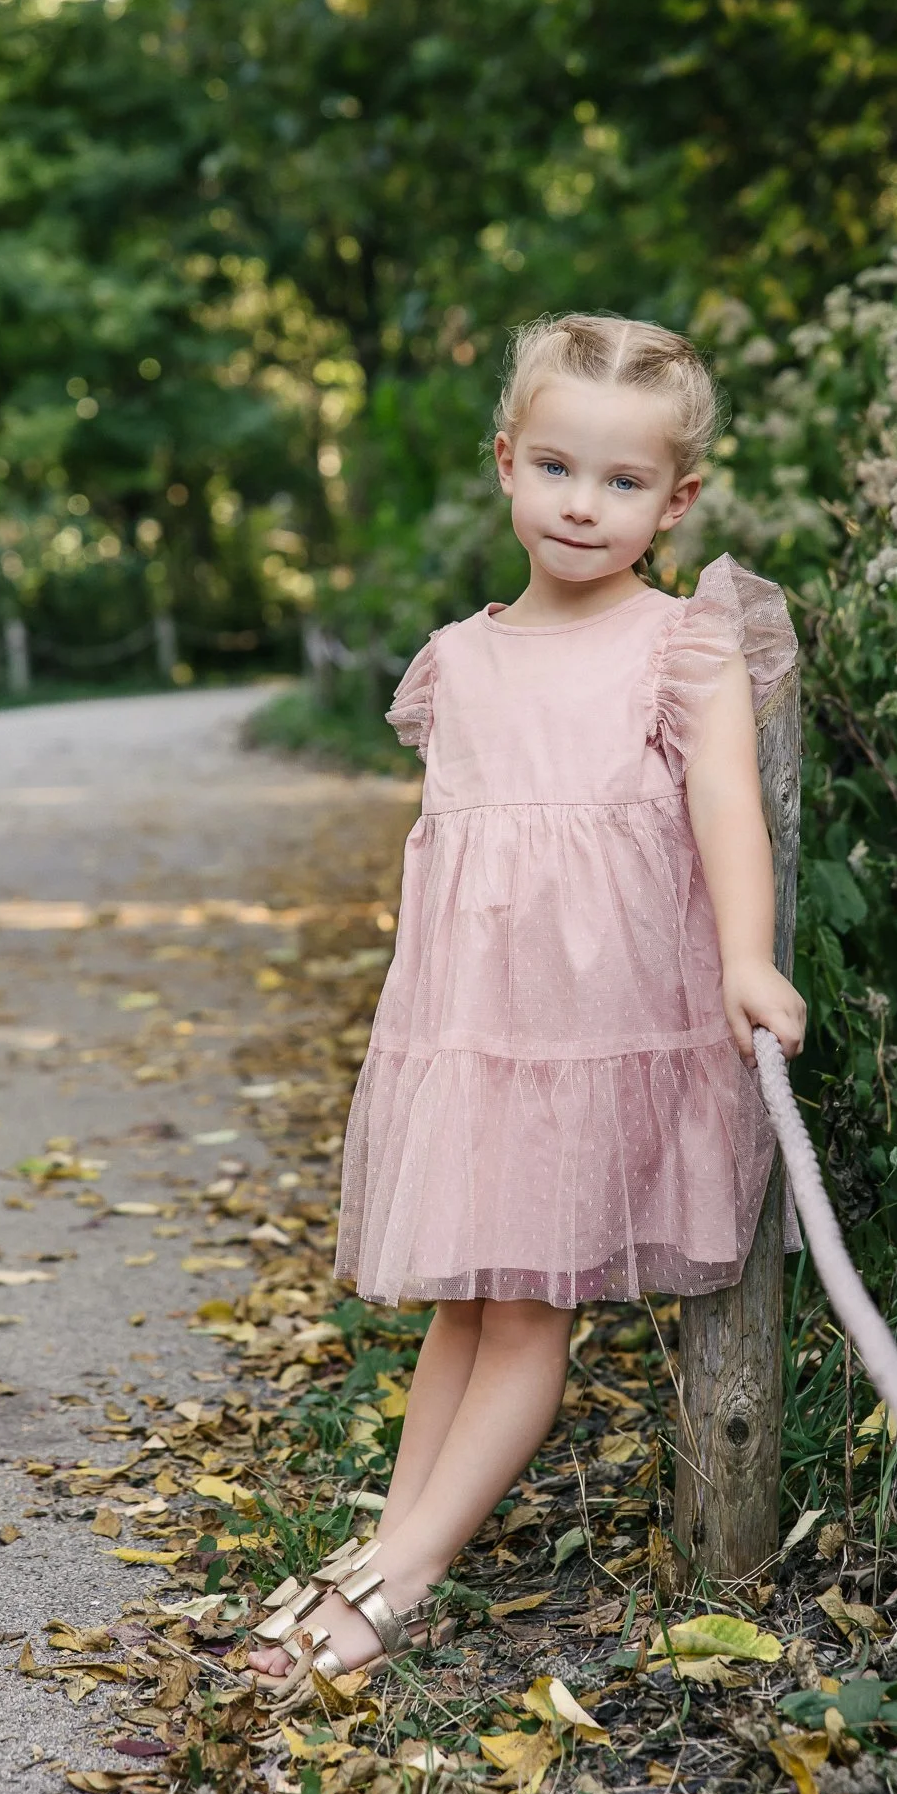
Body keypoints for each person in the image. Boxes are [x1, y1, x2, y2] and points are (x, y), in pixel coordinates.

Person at [246, 311, 806, 1698]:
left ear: (677, 501)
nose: (582, 503)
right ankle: (380, 1543)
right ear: (506, 465)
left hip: (595, 1032)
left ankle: (395, 1587)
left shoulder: (687, 644)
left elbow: (729, 807)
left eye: (624, 482)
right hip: (477, 1035)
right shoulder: (460, 659)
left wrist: (748, 957)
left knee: (525, 1324)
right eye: (557, 466)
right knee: (463, 1307)